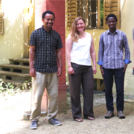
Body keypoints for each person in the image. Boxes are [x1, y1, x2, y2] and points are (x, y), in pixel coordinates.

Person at [29, 11, 63, 129]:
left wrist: (60, 66)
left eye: (52, 19)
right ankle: (34, 119)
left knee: (53, 96)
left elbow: (58, 51)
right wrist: (31, 67)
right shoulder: (35, 34)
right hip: (39, 70)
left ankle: (52, 117)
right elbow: (32, 51)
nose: (50, 21)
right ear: (43, 19)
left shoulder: (56, 35)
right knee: (37, 96)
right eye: (47, 19)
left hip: (53, 70)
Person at [97, 14, 131, 119]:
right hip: (107, 66)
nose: (111, 23)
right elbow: (100, 51)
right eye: (109, 21)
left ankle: (120, 110)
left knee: (120, 90)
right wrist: (101, 66)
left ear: (116, 22)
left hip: (119, 67)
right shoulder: (103, 35)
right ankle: (110, 110)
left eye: (113, 21)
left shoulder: (122, 35)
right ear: (107, 22)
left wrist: (125, 63)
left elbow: (127, 50)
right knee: (108, 90)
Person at [66, 16, 97, 122]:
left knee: (89, 91)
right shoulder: (71, 36)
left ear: (84, 24)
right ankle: (77, 115)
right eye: (77, 24)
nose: (79, 25)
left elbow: (92, 51)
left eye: (81, 23)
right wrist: (69, 66)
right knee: (75, 92)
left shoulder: (89, 36)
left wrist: (94, 66)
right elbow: (67, 52)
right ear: (75, 25)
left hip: (87, 67)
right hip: (75, 66)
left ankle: (88, 113)